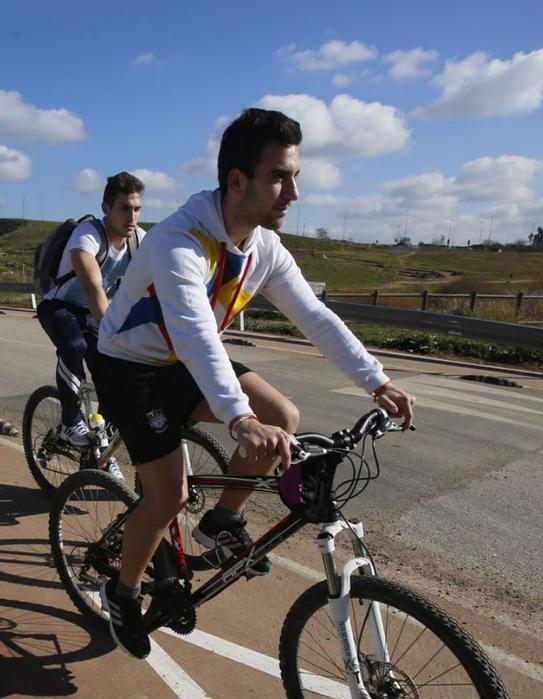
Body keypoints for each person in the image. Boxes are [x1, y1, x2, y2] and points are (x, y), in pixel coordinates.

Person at [93, 107, 416, 658]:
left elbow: (313, 316)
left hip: (183, 361)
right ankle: (121, 592)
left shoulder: (263, 246)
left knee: (284, 419)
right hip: (133, 369)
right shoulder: (179, 242)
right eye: (278, 177)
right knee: (168, 493)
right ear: (237, 180)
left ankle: (220, 524)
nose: (292, 192)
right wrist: (238, 417)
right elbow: (195, 334)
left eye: (295, 176)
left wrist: (377, 382)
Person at [38, 172, 145, 450]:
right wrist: (115, 339)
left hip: (92, 314)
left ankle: (101, 450)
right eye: (124, 208)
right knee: (74, 346)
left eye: (137, 209)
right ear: (106, 209)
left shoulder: (139, 241)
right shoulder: (87, 235)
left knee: (112, 374)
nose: (132, 217)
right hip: (59, 307)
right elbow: (93, 287)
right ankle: (70, 422)